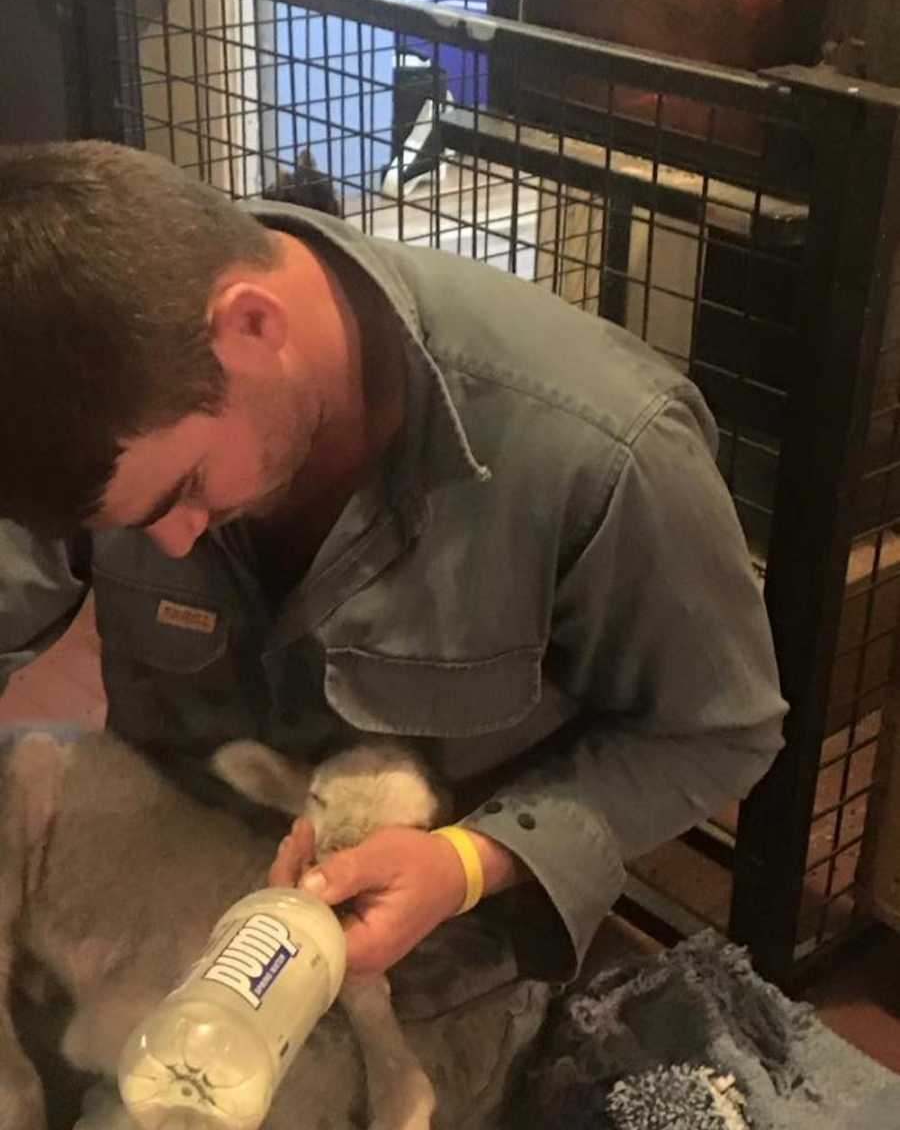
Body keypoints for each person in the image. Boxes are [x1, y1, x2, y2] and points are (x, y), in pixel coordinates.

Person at [0, 140, 787, 986]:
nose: (177, 543)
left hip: (429, 951)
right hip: (161, 892)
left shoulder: (605, 454)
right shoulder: (67, 382)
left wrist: (472, 862)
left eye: (185, 489)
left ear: (254, 325)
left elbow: (720, 732)